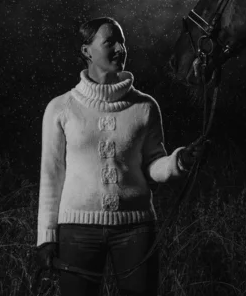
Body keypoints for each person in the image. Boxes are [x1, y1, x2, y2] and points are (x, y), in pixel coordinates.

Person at [35, 17, 206, 295]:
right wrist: (46, 238)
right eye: (110, 42)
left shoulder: (145, 106)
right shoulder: (60, 108)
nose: (120, 48)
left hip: (136, 229)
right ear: (87, 51)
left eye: (122, 41)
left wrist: (180, 160)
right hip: (77, 231)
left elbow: (152, 166)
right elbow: (51, 176)